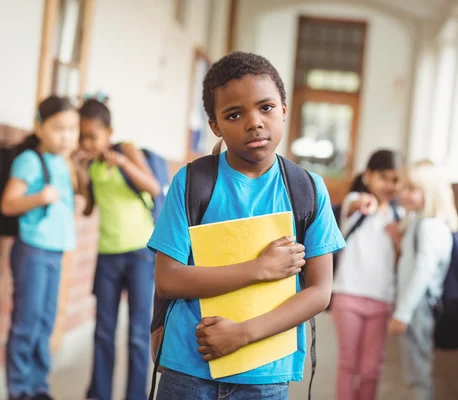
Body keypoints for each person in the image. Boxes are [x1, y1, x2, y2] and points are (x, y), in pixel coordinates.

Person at [147, 51, 345, 400]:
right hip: (189, 366)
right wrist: (259, 268)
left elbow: (319, 291)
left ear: (284, 109)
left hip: (265, 374)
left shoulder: (307, 189)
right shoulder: (192, 182)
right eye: (234, 114)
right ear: (216, 126)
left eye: (266, 107)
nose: (254, 122)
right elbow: (168, 279)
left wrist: (242, 334)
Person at [75, 98, 161, 400]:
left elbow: (154, 187)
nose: (86, 142)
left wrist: (123, 163)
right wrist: (81, 173)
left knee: (138, 335)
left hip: (139, 253)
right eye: (81, 135)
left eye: (92, 136)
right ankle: (99, 393)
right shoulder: (90, 162)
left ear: (109, 132)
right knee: (103, 332)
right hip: (107, 255)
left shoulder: (126, 149)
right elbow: (88, 208)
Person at [1, 96, 79, 400]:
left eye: (72, 129)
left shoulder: (62, 162)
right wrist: (40, 197)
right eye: (58, 128)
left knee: (45, 321)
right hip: (32, 250)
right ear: (39, 127)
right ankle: (19, 390)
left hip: (55, 251)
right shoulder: (30, 160)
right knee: (27, 322)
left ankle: (38, 387)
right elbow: (8, 203)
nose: (66, 136)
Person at [331, 149, 403, 400]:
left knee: (372, 369)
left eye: (395, 179)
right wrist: (361, 204)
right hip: (348, 296)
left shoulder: (398, 216)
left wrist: (398, 239)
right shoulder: (357, 202)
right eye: (383, 177)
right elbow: (351, 206)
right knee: (348, 363)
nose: (389, 185)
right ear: (368, 176)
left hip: (381, 299)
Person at [388, 160, 458, 400]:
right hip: (416, 306)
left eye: (412, 189)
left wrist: (403, 312)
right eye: (404, 187)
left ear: (430, 193)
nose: (403, 193)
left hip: (419, 308)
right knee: (415, 371)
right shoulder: (420, 221)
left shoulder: (430, 226)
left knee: (417, 375)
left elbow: (423, 272)